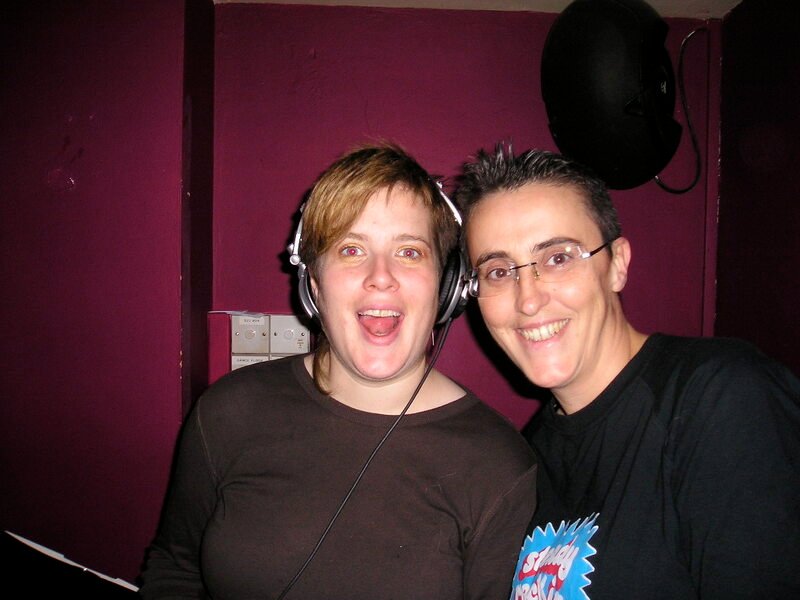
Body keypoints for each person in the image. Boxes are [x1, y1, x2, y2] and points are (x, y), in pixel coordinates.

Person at [138, 143, 537, 599]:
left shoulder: (499, 467)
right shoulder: (229, 411)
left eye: (409, 252)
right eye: (351, 249)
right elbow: (176, 568)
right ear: (313, 285)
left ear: (446, 287)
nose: (380, 276)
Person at [455, 145, 800, 599]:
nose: (529, 300)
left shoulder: (722, 400)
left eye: (557, 258)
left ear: (617, 264)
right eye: (499, 272)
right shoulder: (529, 453)